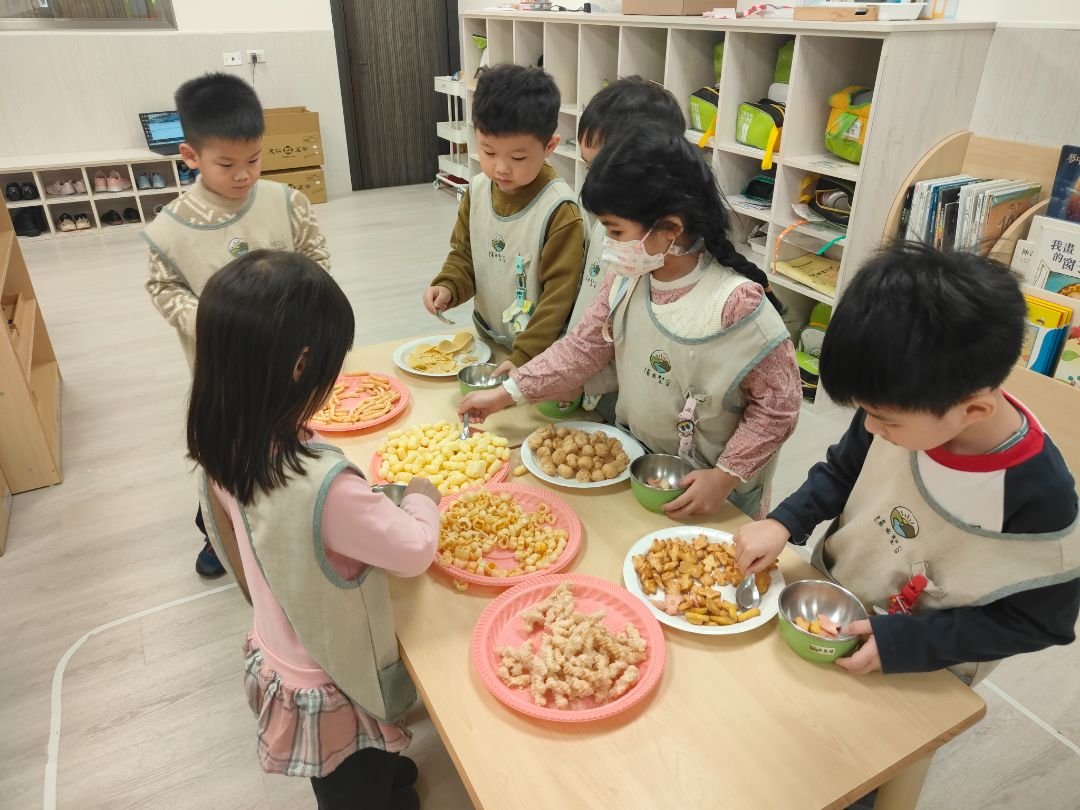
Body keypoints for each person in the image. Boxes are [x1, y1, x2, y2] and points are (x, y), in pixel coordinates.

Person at [734, 243, 1080, 684]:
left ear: (973, 410)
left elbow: (1039, 622)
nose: (870, 427)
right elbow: (843, 471)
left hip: (921, 661)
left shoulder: (1040, 496)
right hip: (833, 598)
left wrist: (907, 643)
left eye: (885, 419)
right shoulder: (896, 404)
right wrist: (784, 521)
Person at [188, 250, 438, 810]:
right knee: (349, 787)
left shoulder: (223, 437)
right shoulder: (321, 488)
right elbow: (415, 550)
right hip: (332, 670)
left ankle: (383, 779)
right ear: (301, 365)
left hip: (283, 635)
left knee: (360, 767)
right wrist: (423, 498)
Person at [460, 129, 802, 519]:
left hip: (712, 493)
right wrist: (507, 393)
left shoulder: (735, 304)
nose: (607, 244)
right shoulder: (629, 277)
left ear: (670, 229)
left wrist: (725, 476)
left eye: (616, 231)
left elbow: (779, 407)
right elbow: (581, 349)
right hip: (638, 465)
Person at [143, 72, 330, 577]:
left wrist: (306, 313)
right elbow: (164, 290)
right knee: (227, 454)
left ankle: (287, 519)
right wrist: (216, 323)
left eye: (254, 159)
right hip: (224, 373)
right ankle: (217, 532)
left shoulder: (286, 203)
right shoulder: (169, 229)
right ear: (190, 156)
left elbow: (316, 259)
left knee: (290, 438)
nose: (244, 174)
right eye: (227, 164)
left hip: (290, 361)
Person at [423, 64, 585, 368]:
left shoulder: (560, 212)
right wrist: (448, 286)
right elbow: (464, 254)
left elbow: (558, 298)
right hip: (489, 336)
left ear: (550, 146)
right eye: (488, 151)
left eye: (518, 157)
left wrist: (525, 356)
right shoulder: (477, 190)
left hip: (538, 355)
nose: (500, 168)